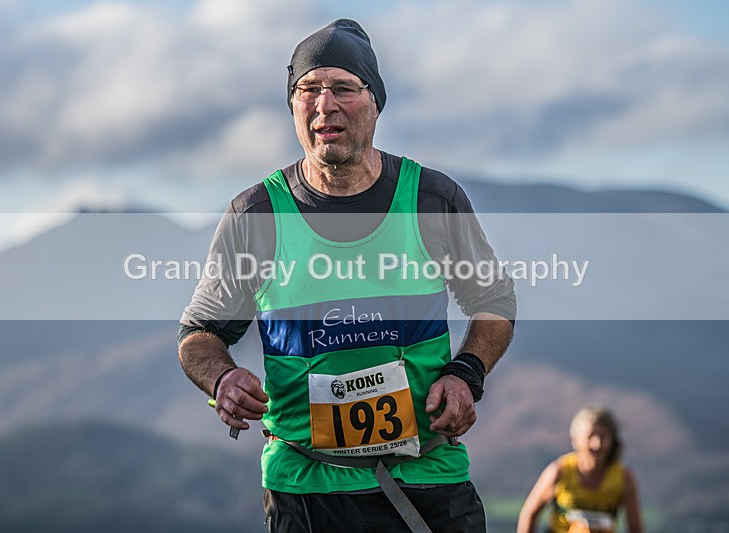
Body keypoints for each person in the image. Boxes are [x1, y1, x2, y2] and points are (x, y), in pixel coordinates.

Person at [178, 19, 516, 533]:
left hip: (427, 476)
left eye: (343, 88)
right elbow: (198, 335)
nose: (324, 105)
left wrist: (466, 372)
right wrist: (221, 377)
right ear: (291, 106)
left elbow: (492, 299)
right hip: (307, 488)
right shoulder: (257, 214)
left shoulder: (431, 200)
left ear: (375, 102)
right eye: (307, 90)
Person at [517, 406, 644, 533]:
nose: (597, 444)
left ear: (612, 441)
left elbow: (635, 527)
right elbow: (529, 513)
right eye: (591, 436)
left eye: (603, 437)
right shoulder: (559, 471)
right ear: (575, 440)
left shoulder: (624, 478)